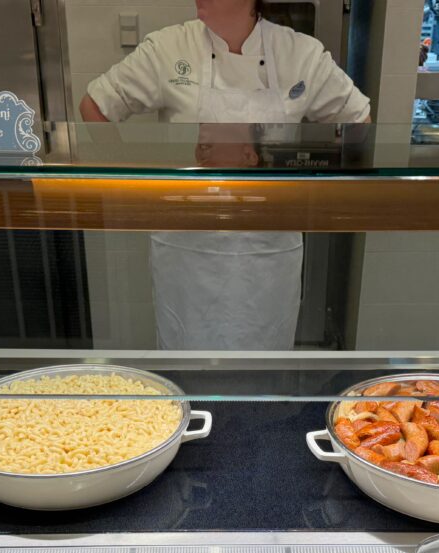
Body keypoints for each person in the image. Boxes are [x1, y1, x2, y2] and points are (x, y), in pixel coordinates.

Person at [80, 0, 371, 350]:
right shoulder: (168, 48)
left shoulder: (300, 54)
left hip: (269, 254)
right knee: (187, 361)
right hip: (187, 253)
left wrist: (319, 185)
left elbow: (359, 121)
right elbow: (95, 105)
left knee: (263, 366)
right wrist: (132, 186)